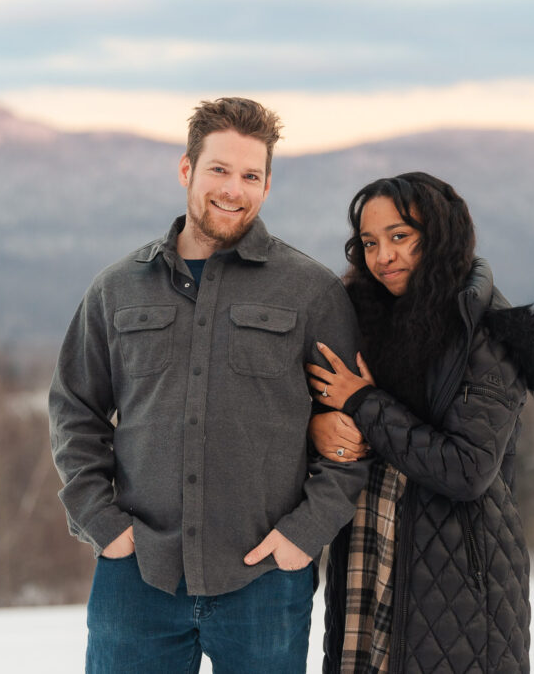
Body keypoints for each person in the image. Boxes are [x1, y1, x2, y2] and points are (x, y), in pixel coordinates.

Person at [48, 97, 370, 673]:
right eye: (219, 169)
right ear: (186, 170)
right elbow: (74, 410)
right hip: (138, 575)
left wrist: (304, 534)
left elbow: (353, 428)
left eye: (251, 175)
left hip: (266, 580)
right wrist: (103, 523)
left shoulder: (312, 292)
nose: (234, 188)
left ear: (267, 186)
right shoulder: (117, 288)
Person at [306, 172, 534, 673]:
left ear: (441, 237)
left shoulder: (486, 333)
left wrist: (364, 402)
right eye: (369, 242)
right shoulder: (362, 320)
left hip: (457, 578)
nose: (383, 256)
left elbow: (467, 469)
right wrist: (320, 429)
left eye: (400, 237)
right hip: (369, 549)